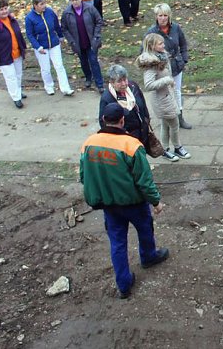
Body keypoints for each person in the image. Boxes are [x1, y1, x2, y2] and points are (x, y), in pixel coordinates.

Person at [80, 102, 169, 299]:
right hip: (134, 203)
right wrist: (156, 202)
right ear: (122, 121)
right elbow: (144, 181)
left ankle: (124, 284)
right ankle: (148, 256)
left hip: (108, 205)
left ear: (103, 120)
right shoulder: (131, 145)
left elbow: (83, 175)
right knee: (145, 229)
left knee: (117, 243)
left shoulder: (89, 143)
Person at [136, 33, 190, 161]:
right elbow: (148, 85)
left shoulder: (161, 57)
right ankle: (178, 148)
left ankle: (165, 150)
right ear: (152, 46)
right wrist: (166, 80)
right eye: (160, 43)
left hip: (167, 96)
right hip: (162, 100)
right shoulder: (151, 64)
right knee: (174, 124)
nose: (163, 45)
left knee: (165, 124)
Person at [145, 4, 192, 129]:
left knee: (176, 92)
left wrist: (184, 59)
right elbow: (144, 51)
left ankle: (179, 117)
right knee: (164, 93)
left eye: (165, 15)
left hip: (176, 65)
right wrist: (154, 64)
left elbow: (183, 45)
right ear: (156, 17)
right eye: (160, 15)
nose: (163, 18)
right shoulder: (151, 32)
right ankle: (167, 119)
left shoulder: (176, 28)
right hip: (161, 69)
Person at [24, 0, 74, 97]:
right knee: (45, 68)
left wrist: (60, 36)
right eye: (41, 4)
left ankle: (65, 88)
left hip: (54, 43)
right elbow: (30, 34)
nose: (44, 6)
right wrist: (38, 47)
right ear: (35, 5)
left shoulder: (50, 12)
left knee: (59, 66)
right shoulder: (29, 18)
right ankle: (49, 86)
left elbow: (56, 25)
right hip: (41, 46)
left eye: (44, 3)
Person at [0, 0, 28, 108]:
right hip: (4, 55)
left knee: (18, 74)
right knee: (11, 77)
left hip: (16, 52)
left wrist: (23, 47)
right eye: (1, 9)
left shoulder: (11, 19)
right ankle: (16, 97)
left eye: (5, 8)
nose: (4, 11)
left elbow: (18, 34)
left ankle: (18, 91)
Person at [60, 0, 105, 93]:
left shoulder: (90, 8)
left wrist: (96, 36)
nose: (75, 2)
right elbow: (64, 29)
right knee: (84, 61)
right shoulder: (67, 13)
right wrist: (71, 41)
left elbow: (99, 21)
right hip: (78, 43)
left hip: (91, 41)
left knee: (93, 61)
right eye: (72, 0)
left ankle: (100, 84)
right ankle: (88, 78)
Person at [99, 64, 150, 145]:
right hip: (125, 138)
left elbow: (143, 105)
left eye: (125, 79)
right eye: (119, 81)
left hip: (142, 132)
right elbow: (103, 122)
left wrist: (146, 120)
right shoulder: (107, 98)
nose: (124, 84)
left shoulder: (133, 86)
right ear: (111, 82)